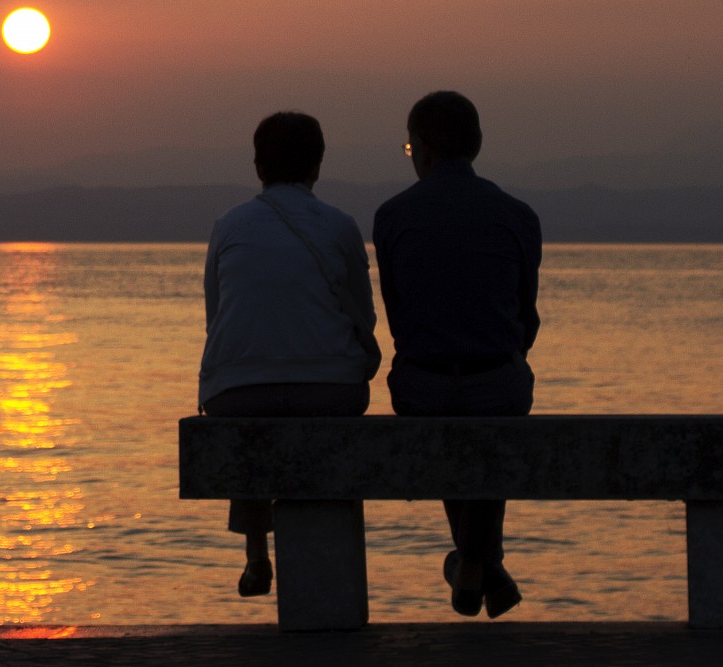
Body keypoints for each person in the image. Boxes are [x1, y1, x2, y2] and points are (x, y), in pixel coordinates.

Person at [198, 111, 382, 599]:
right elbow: (364, 316)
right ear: (317, 166)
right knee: (306, 420)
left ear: (258, 166)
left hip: (238, 395)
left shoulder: (228, 225)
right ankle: (323, 578)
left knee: (250, 413)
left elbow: (217, 319)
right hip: (330, 390)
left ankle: (257, 554)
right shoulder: (339, 226)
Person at [373, 90, 542, 620]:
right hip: (497, 386)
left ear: (422, 150)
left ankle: (472, 563)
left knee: (448, 405)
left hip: (421, 386)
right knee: (491, 406)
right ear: (478, 145)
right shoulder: (518, 215)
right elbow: (525, 320)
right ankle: (479, 563)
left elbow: (400, 320)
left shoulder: (393, 216)